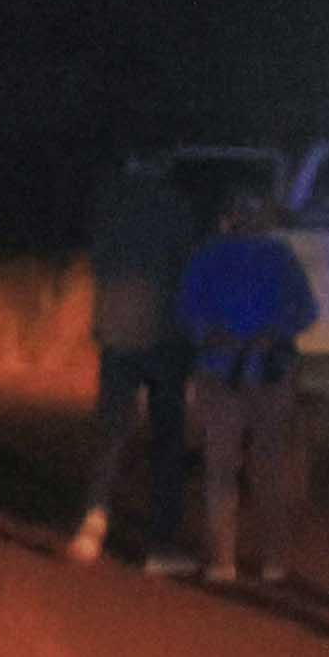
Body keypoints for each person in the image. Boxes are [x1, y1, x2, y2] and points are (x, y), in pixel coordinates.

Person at [63, 149, 233, 566]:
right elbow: (187, 268)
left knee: (111, 431)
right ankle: (159, 545)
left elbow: (99, 260)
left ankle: (92, 521)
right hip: (163, 335)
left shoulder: (108, 207)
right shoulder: (175, 207)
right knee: (166, 440)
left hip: (116, 332)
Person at [180, 184, 318, 583]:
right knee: (268, 467)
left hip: (222, 370)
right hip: (266, 372)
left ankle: (224, 560)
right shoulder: (279, 257)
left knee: (221, 468)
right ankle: (272, 560)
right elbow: (306, 313)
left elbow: (188, 314)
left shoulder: (207, 257)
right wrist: (273, 333)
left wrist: (215, 335)